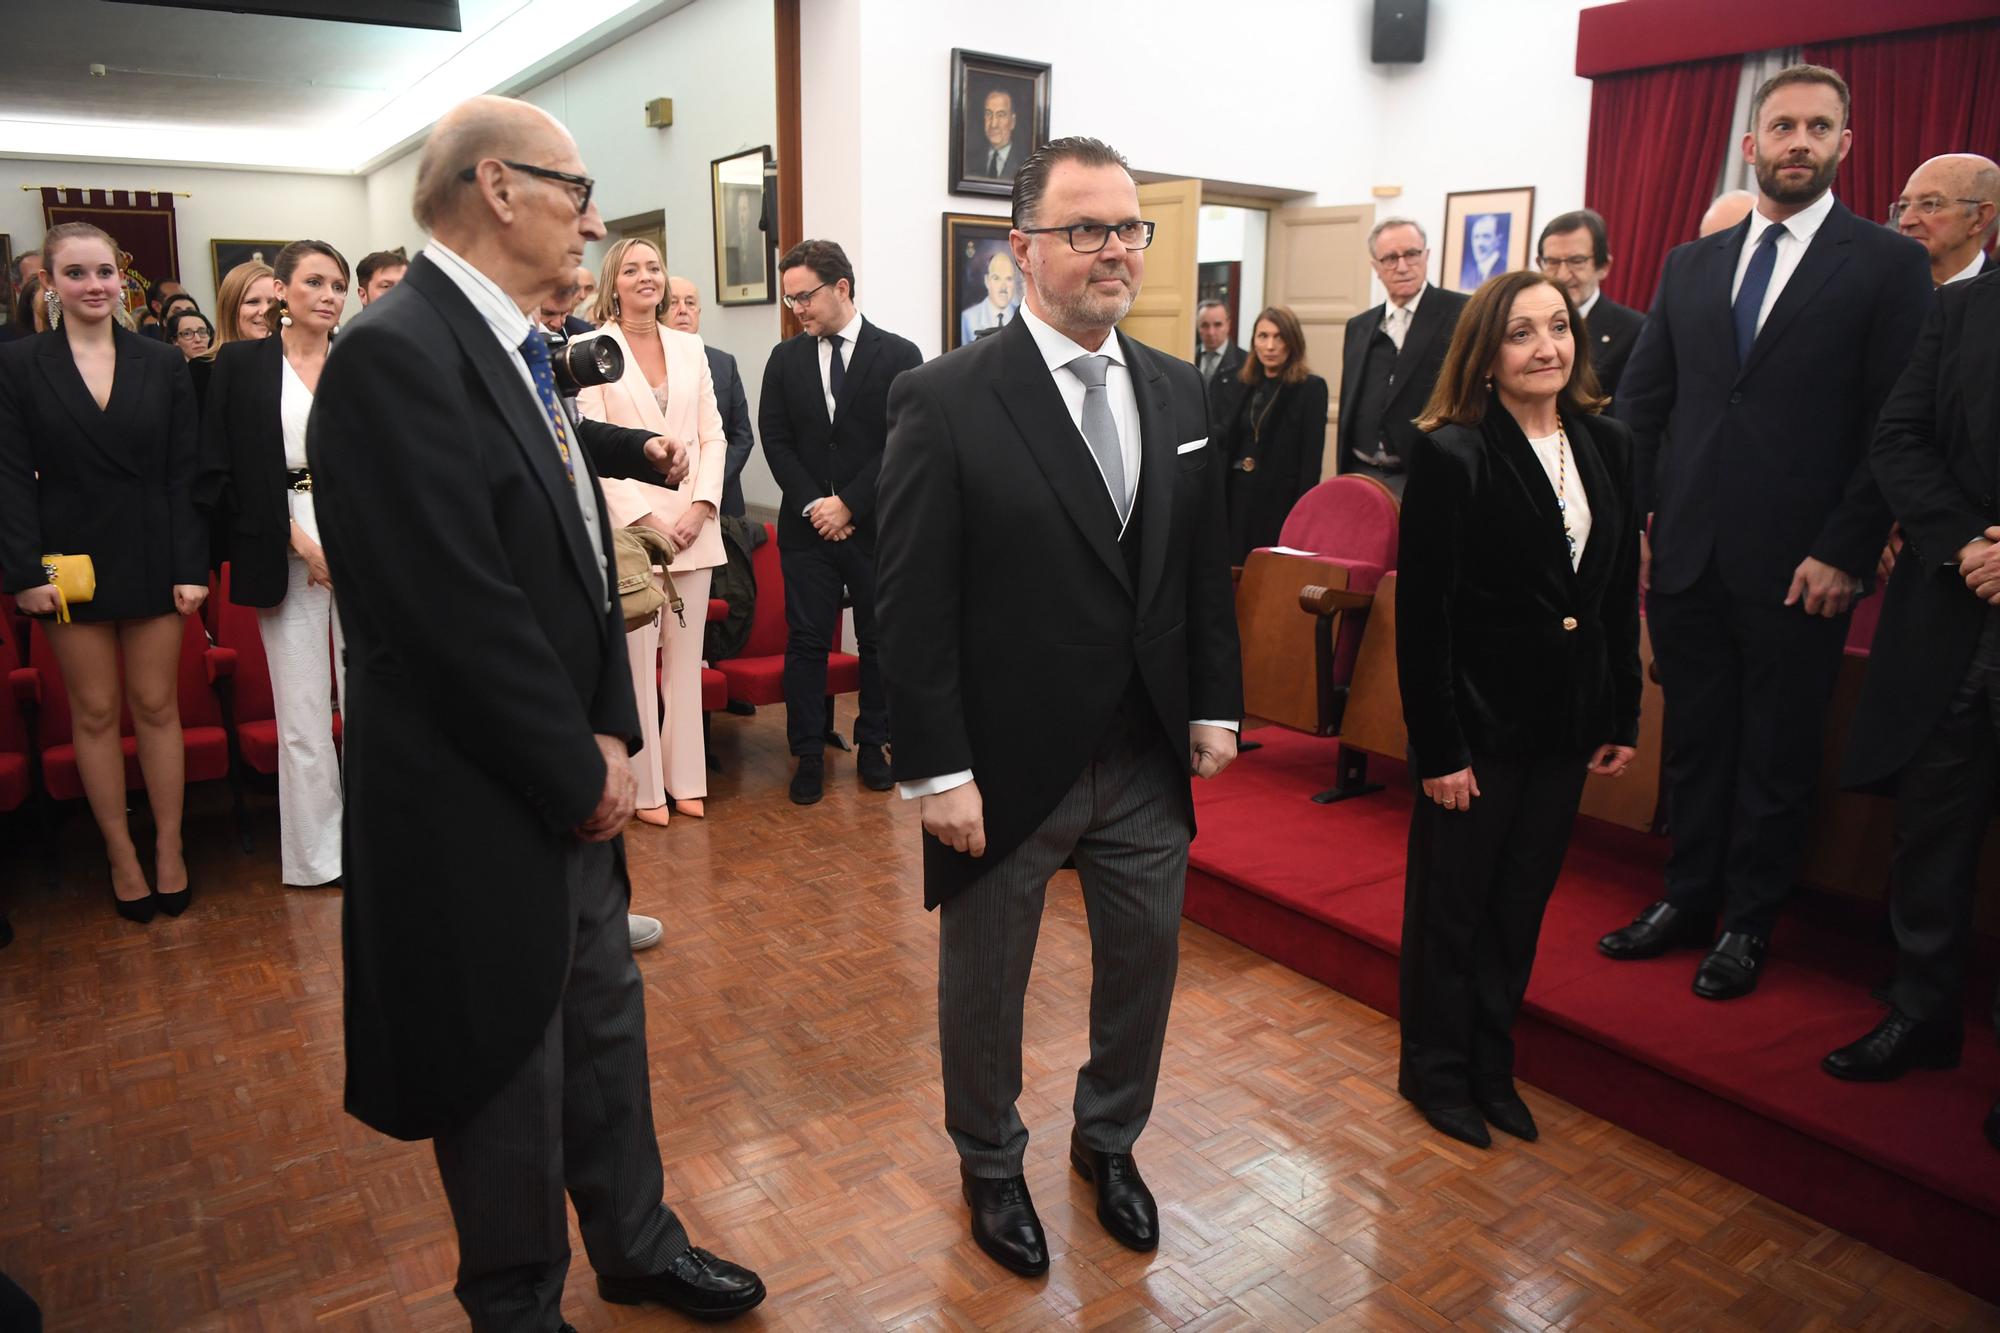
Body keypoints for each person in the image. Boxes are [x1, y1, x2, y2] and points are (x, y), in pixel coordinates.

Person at [306, 94, 763, 1327]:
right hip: (478, 801)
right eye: (574, 188)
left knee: (604, 1037)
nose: (592, 217)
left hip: (569, 771)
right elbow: (453, 614)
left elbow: (572, 558)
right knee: (505, 1064)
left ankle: (637, 1243)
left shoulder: (515, 345)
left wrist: (614, 732)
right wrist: (581, 770)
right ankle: (517, 1302)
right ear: (496, 187)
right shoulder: (395, 353)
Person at [877, 135, 1243, 1279]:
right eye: (1085, 229)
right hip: (1006, 762)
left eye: (1128, 228)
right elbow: (909, 604)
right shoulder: (943, 398)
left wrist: (1216, 705)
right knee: (984, 987)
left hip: (1142, 754)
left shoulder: (1178, 387)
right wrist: (937, 772)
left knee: (1144, 967)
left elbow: (1196, 566)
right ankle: (989, 1164)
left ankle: (1109, 1141)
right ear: (1021, 248)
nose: (1114, 251)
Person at [1598, 64, 1932, 999]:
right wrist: (1641, 522)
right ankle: (1687, 898)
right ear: (1750, 143)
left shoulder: (1886, 263)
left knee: (1778, 755)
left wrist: (1848, 547)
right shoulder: (1691, 262)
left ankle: (1748, 921)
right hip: (1689, 555)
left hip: (1805, 564)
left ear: (1844, 146)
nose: (1797, 142)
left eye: (1817, 128)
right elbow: (1646, 401)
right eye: (1780, 126)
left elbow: (1893, 421)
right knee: (1698, 742)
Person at [1395, 269, 1641, 1148]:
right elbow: (1425, 620)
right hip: (1476, 728)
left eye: (1559, 328)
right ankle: (1435, 1070)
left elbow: (1614, 595)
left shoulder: (1606, 443)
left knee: (1519, 905)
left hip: (1565, 727)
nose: (1547, 347)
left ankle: (1492, 1066)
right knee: (1451, 908)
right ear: (1487, 353)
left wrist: (1620, 714)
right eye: (1523, 332)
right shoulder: (1452, 449)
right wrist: (1440, 748)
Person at [1829, 266, 2000, 1153]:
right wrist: (1968, 541)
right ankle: (1921, 1011)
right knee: (1931, 829)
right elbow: (1898, 438)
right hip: (1949, 615)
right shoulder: (1963, 307)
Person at [0, 222, 208, 924]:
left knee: (156, 707)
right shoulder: (20, 364)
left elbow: (184, 474)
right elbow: (9, 480)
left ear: (124, 278)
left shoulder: (162, 361)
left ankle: (171, 848)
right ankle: (121, 855)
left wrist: (191, 565)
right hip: (67, 562)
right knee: (93, 713)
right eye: (76, 274)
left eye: (104, 273)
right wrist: (24, 570)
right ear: (51, 285)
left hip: (154, 553)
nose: (93, 286)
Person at [196, 239, 351, 890]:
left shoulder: (363, 361)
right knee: (303, 710)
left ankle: (380, 845)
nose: (328, 294)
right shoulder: (240, 364)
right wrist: (301, 542)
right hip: (279, 535)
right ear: (281, 291)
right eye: (314, 281)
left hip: (365, 540)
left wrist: (346, 544)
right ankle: (318, 858)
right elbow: (223, 471)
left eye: (339, 284)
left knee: (376, 703)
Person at [759, 238, 921, 805]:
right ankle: (807, 753)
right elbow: (775, 442)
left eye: (804, 297)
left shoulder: (899, 355)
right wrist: (817, 506)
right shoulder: (785, 359)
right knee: (806, 641)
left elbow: (902, 440)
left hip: (876, 524)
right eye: (790, 300)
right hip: (807, 529)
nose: (797, 309)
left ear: (842, 288)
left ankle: (875, 743)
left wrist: (850, 503)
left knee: (879, 639)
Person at [576, 238, 728, 825]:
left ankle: (688, 778)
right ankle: (645, 789)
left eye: (655, 267)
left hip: (695, 526)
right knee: (637, 663)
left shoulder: (691, 348)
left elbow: (712, 435)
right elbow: (588, 439)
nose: (647, 277)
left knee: (686, 663)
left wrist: (701, 508)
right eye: (633, 269)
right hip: (634, 531)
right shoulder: (590, 348)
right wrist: (648, 520)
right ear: (614, 281)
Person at [1338, 218, 1470, 497]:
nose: (1402, 266)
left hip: (1423, 475)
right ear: (1376, 267)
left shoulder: (1460, 313)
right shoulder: (1359, 326)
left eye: (1411, 254)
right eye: (1389, 258)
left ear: (1426, 256)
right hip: (1359, 471)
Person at [1221, 305, 1330, 561]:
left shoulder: (1311, 388)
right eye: (1263, 336)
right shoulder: (1242, 383)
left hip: (1279, 501)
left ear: (1292, 342)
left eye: (1278, 337)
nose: (1270, 346)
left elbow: (1310, 461)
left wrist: (1302, 516)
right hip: (1237, 496)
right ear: (1254, 341)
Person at [664, 275, 755, 518]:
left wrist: (708, 487)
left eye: (690, 303)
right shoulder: (648, 363)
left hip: (723, 502)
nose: (683, 310)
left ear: (699, 312)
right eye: (673, 303)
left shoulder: (724, 363)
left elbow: (742, 436)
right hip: (666, 498)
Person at [1537, 208, 1645, 397]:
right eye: (1552, 262)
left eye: (1576, 261)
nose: (1562, 275)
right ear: (1540, 264)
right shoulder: (1523, 324)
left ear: (1603, 267)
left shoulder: (1635, 330)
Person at [1891, 153, 1999, 287]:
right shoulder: (1879, 289)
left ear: (1979, 217)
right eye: (1903, 206)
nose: (1905, 221)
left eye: (1929, 204)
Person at [958, 250, 1020, 345]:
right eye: (996, 278)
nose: (1003, 287)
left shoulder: (1023, 316)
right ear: (987, 281)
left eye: (1008, 279)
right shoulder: (968, 319)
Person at [971, 86, 1029, 182]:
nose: (993, 124)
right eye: (988, 114)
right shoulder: (971, 161)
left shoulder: (1026, 165)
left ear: (1012, 122)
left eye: (1001, 115)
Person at [1194, 299, 1246, 387]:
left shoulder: (1245, 362)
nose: (1211, 332)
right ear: (1198, 326)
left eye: (1217, 325)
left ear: (1228, 325)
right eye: (1205, 325)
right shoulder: (1188, 357)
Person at [723, 191, 763, 288]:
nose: (741, 215)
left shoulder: (758, 240)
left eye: (744, 209)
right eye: (739, 210)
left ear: (749, 212)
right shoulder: (733, 241)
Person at [1460, 212, 1507, 288]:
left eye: (1486, 236)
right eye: (1476, 237)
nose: (1479, 243)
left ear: (1498, 239)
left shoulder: (1505, 271)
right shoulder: (1469, 276)